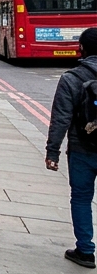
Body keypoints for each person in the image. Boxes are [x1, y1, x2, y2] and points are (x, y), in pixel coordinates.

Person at [45, 27, 97, 270]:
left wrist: (52, 152)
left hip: (82, 147)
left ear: (82, 48)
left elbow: (61, 119)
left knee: (81, 198)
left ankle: (85, 251)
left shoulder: (72, 78)